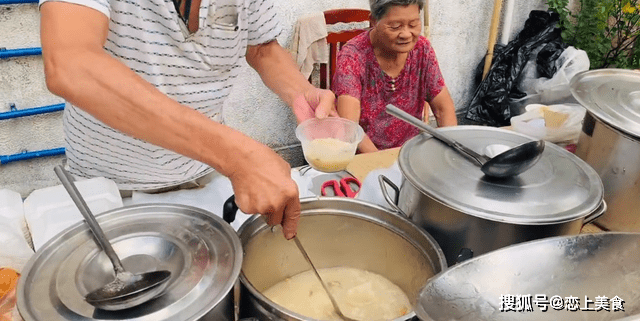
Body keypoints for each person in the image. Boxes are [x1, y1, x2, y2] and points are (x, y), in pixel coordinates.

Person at [39, 0, 337, 240]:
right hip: (111, 188)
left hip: (204, 176)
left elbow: (262, 48)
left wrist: (303, 92)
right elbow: (71, 64)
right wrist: (234, 155)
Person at [333, 0, 457, 153]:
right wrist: (383, 164)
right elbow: (350, 127)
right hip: (365, 156)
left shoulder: (422, 49)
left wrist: (451, 152)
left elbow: (443, 109)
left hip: (409, 152)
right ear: (374, 21)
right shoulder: (352, 56)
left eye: (413, 25)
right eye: (395, 26)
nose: (406, 34)